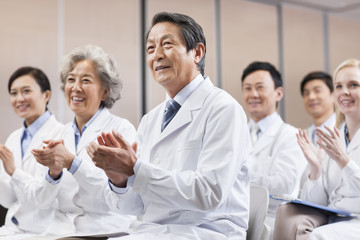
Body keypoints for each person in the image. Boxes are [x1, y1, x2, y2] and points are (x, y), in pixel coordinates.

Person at [86, 12, 251, 239]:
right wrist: (119, 177)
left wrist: (135, 168)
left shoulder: (223, 109)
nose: (157, 55)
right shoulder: (150, 120)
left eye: (167, 44)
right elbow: (134, 207)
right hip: (153, 232)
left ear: (197, 52)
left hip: (206, 232)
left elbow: (209, 193)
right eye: (150, 49)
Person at [32, 45, 137, 235]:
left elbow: (118, 198)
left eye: (86, 81)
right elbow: (41, 203)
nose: (75, 88)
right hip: (61, 230)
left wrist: (72, 163)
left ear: (105, 91)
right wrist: (53, 175)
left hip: (105, 230)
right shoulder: (58, 134)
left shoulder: (121, 130)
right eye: (71, 80)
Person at [274, 59, 360, 240]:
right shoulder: (334, 137)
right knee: (286, 214)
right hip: (334, 218)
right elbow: (316, 202)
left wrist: (343, 160)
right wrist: (315, 170)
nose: (344, 92)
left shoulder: (336, 147)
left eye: (353, 85)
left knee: (317, 236)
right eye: (339, 86)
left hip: (355, 221)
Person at [241, 61, 307, 234]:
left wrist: (234, 176)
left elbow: (282, 187)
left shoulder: (291, 136)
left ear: (278, 93)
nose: (253, 94)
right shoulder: (235, 134)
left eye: (260, 87)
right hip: (235, 217)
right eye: (247, 88)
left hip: (271, 223)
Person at [0, 67, 64, 237]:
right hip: (13, 229)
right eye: (14, 93)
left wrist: (14, 172)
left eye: (26, 91)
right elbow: (7, 200)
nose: (19, 99)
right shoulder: (14, 138)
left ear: (46, 95)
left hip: (45, 231)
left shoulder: (60, 135)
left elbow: (44, 198)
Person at [300, 71, 336, 144]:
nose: (311, 97)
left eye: (317, 91)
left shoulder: (346, 129)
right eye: (306, 93)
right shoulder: (303, 136)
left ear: (333, 95)